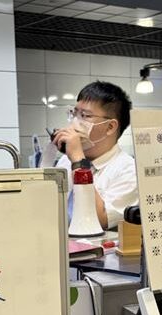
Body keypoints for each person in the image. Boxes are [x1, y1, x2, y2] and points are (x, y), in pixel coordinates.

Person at [51, 81, 137, 230]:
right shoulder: (66, 161)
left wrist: (78, 160)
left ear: (110, 127)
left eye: (84, 115)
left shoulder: (129, 171)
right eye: (74, 114)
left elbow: (100, 220)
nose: (75, 122)